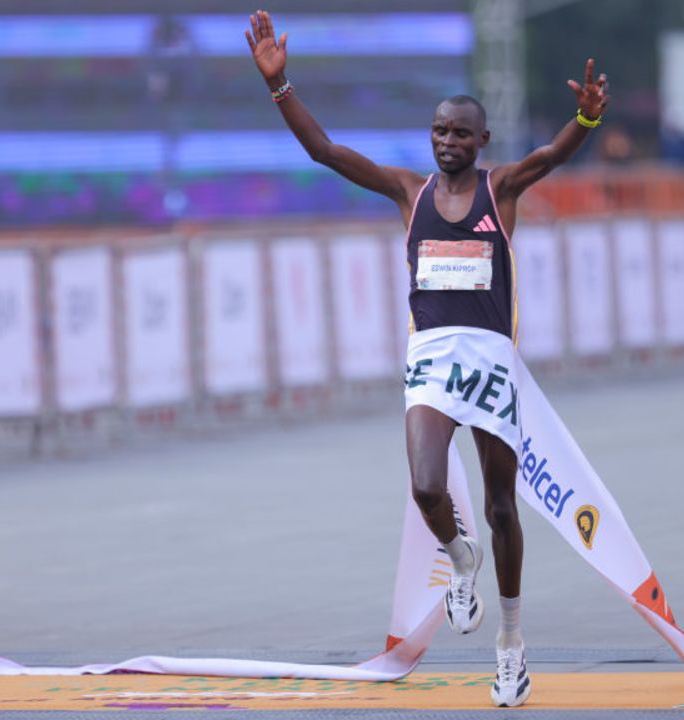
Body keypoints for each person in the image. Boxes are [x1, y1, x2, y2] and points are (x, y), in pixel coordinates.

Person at [245, 9, 609, 708]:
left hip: (490, 362)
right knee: (424, 487)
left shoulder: (499, 192)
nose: (447, 141)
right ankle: (458, 557)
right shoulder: (408, 194)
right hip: (433, 360)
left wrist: (586, 121)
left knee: (503, 506)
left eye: (460, 133)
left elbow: (553, 157)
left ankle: (510, 645)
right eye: (439, 130)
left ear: (482, 142)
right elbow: (325, 151)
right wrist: (280, 85)